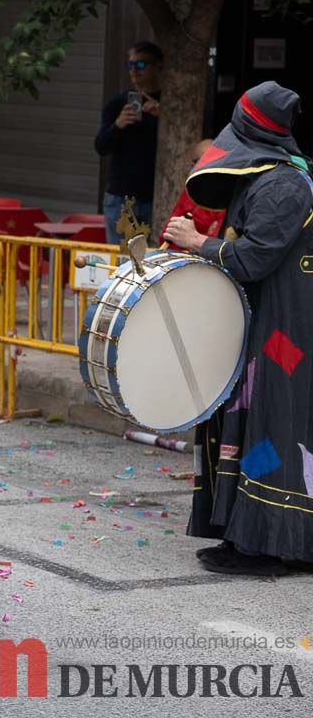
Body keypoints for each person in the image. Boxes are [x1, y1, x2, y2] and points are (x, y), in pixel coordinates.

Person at [162, 81, 313, 576]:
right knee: (246, 425)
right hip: (262, 321)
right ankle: (244, 535)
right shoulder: (264, 176)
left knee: (276, 424)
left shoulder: (286, 184)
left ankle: (277, 545)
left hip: (285, 330)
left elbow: (254, 257)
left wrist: (197, 239)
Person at [95, 41, 163, 243]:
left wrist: (164, 118)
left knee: (154, 264)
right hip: (122, 197)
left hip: (156, 195)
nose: (134, 70)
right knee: (124, 263)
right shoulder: (118, 103)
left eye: (140, 65)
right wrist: (118, 125)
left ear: (158, 67)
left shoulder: (172, 103)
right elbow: (100, 146)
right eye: (130, 65)